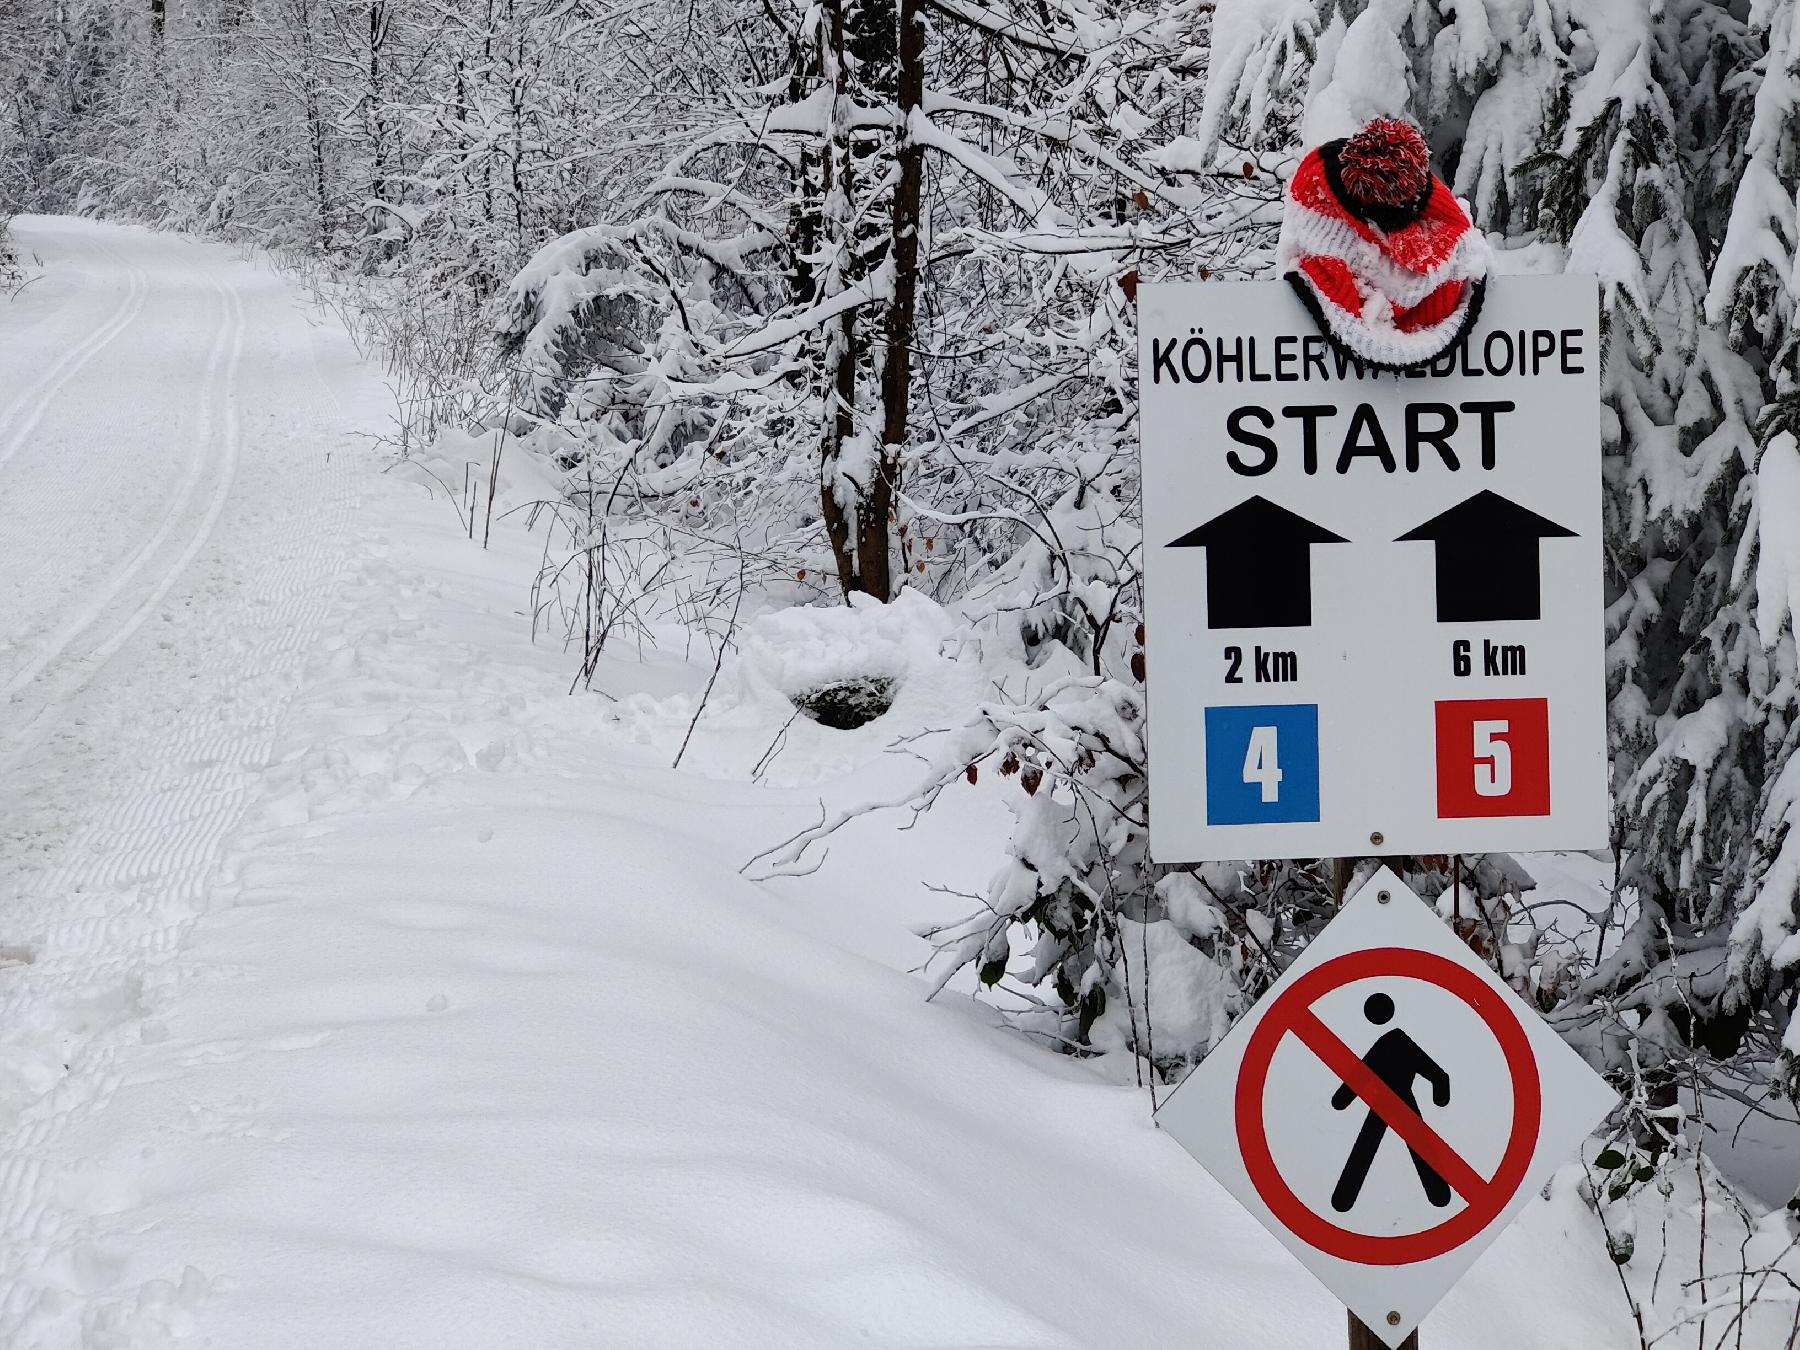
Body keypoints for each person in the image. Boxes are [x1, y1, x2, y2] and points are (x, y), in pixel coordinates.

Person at [1330, 992, 1453, 1212]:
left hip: (1389, 1100)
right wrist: (1440, 1096)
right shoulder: (1395, 1042)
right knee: (1410, 1145)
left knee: (1367, 1145)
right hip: (1395, 1101)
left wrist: (1341, 1100)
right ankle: (1439, 1195)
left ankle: (1343, 1199)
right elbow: (1439, 1076)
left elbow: (1360, 1075)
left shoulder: (1390, 1043)